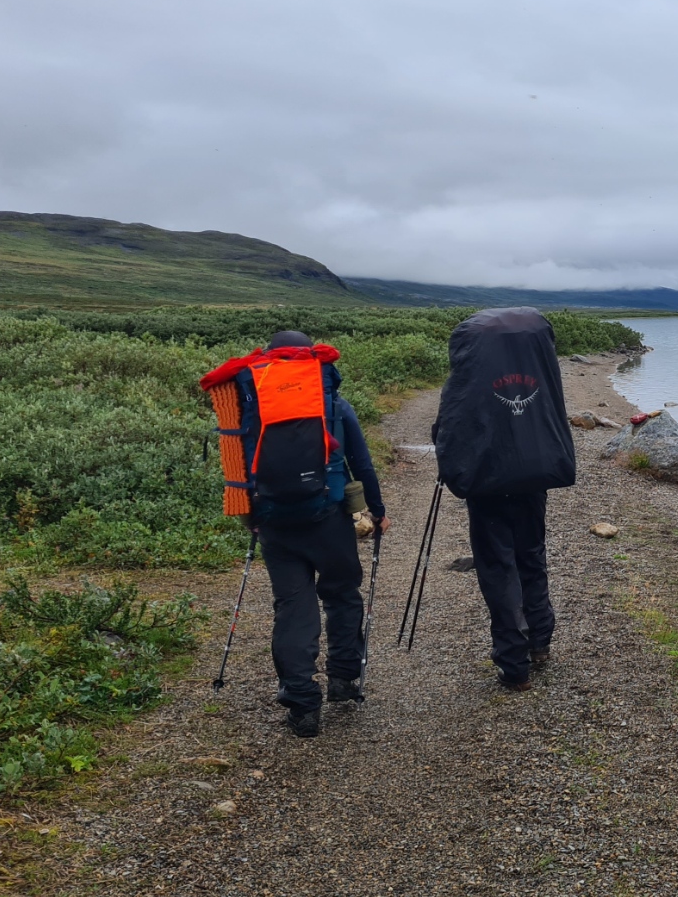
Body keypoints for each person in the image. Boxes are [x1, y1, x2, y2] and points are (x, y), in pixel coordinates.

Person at [201, 329, 389, 737]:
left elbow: (237, 464)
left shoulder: (249, 407)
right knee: (341, 594)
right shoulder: (336, 405)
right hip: (329, 519)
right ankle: (343, 680)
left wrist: (250, 515)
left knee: (292, 607)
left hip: (274, 523)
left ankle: (302, 704)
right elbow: (362, 464)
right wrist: (377, 511)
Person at [431, 308, 576, 692]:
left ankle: (514, 665)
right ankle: (539, 641)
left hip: (488, 480)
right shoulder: (540, 366)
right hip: (533, 474)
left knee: (497, 566)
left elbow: (451, 424)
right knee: (531, 554)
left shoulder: (468, 374)